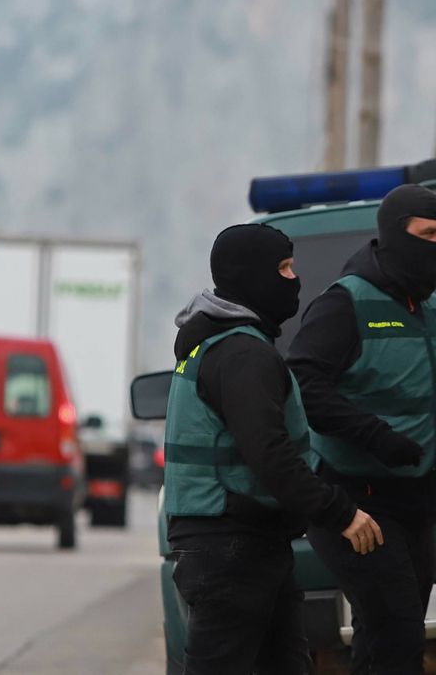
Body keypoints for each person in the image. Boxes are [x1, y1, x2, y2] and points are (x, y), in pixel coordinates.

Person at [287, 184, 436, 674]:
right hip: (358, 502)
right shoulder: (346, 303)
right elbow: (303, 384)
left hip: (418, 505)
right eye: (429, 233)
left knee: (388, 639)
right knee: (396, 636)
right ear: (394, 236)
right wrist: (375, 436)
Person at [165, 223, 385, 675]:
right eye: (284, 268)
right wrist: (340, 513)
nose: (294, 279)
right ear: (251, 276)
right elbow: (269, 453)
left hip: (246, 544)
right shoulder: (243, 355)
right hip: (232, 548)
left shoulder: (217, 345)